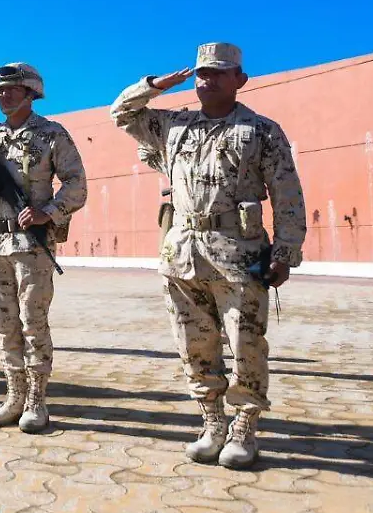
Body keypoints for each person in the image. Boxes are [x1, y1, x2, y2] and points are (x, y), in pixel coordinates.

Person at [110, 42, 306, 469]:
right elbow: (121, 114)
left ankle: (244, 428)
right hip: (182, 254)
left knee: (246, 343)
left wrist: (287, 252)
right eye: (201, 72)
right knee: (194, 344)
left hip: (240, 255)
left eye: (218, 72)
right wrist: (153, 86)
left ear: (240, 79)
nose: (207, 80)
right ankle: (212, 421)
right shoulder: (173, 126)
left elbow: (287, 192)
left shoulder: (260, 130)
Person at [0, 62, 88, 432]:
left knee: (32, 323)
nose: (2, 96)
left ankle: (37, 400)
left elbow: (77, 184)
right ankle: (14, 395)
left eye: (10, 89)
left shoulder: (51, 134)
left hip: (32, 246)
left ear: (31, 92)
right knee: (5, 325)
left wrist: (50, 212)